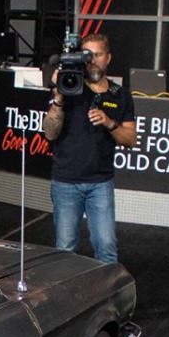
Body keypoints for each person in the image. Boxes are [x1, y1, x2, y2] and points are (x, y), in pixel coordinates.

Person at [42, 33, 137, 261]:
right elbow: (50, 133)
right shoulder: (69, 85)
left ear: (108, 58)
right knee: (65, 249)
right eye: (87, 55)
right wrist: (58, 99)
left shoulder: (120, 95)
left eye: (98, 54)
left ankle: (108, 286)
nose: (92, 60)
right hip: (66, 181)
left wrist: (109, 123)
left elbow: (130, 139)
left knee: (107, 247)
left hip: (100, 182)